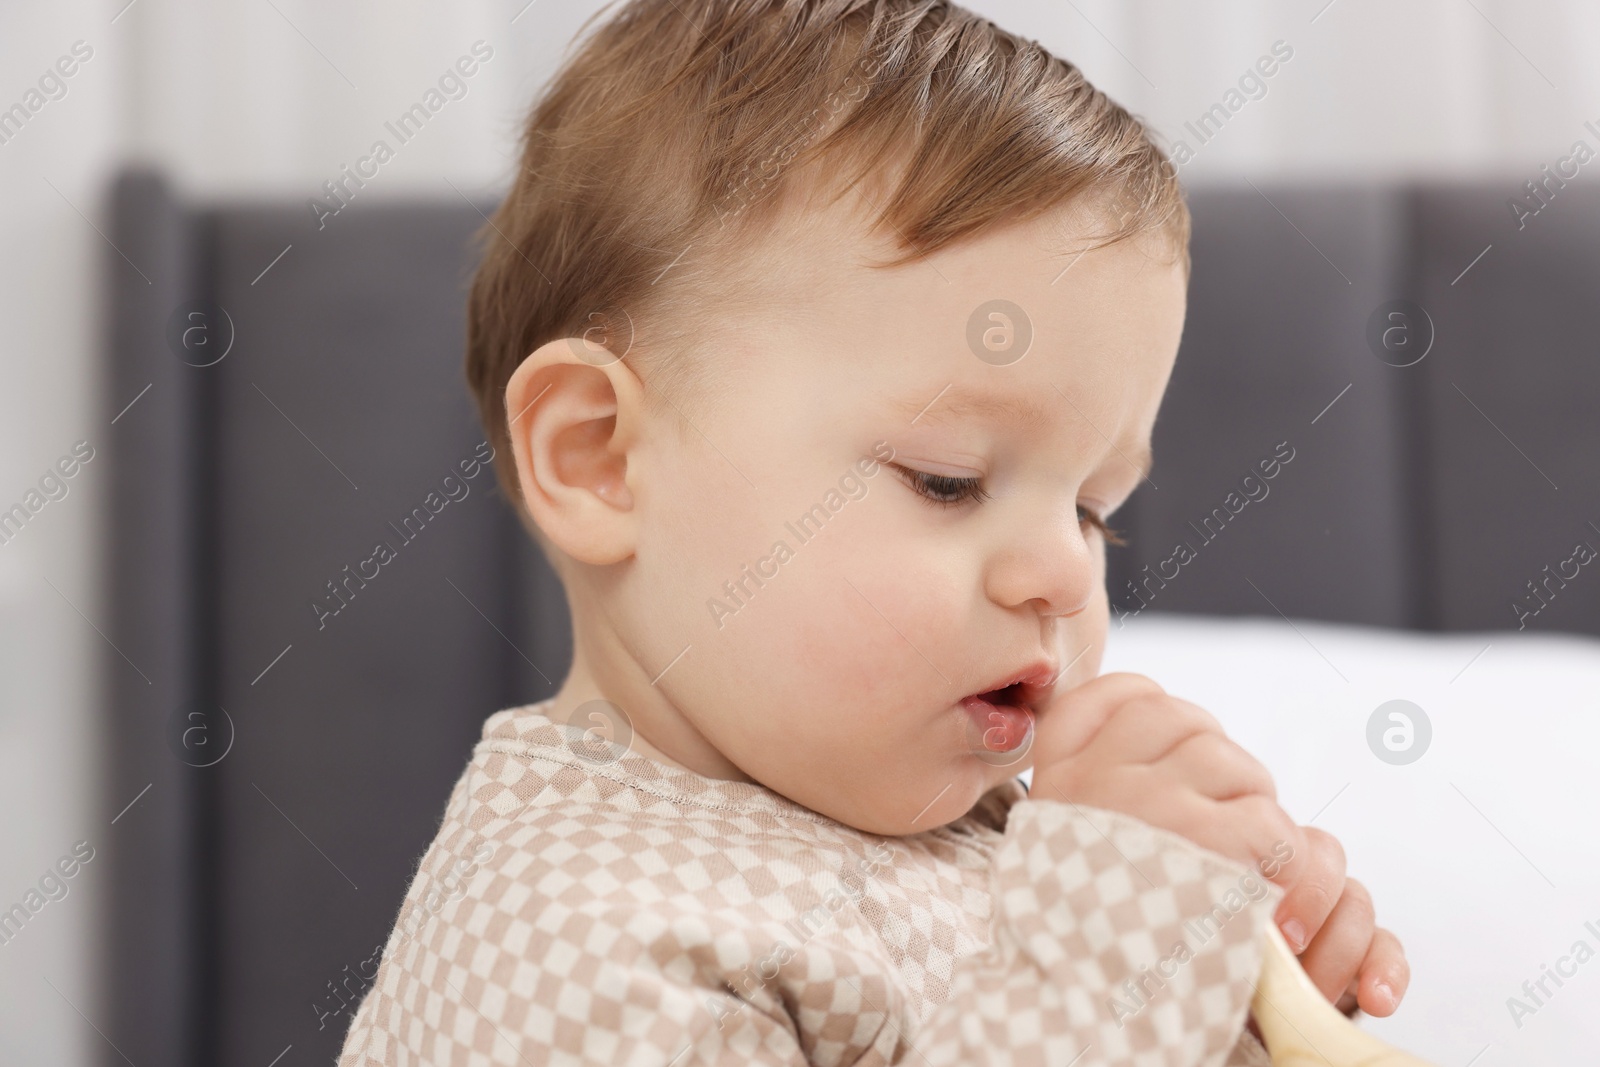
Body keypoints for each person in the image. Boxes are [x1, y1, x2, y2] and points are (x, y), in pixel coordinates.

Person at [339, 1, 1409, 1062]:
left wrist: (1244, 1001)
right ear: (600, 459)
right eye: (946, 481)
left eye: (1091, 510)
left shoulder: (991, 838)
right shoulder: (570, 944)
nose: (1058, 572)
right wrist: (1108, 943)